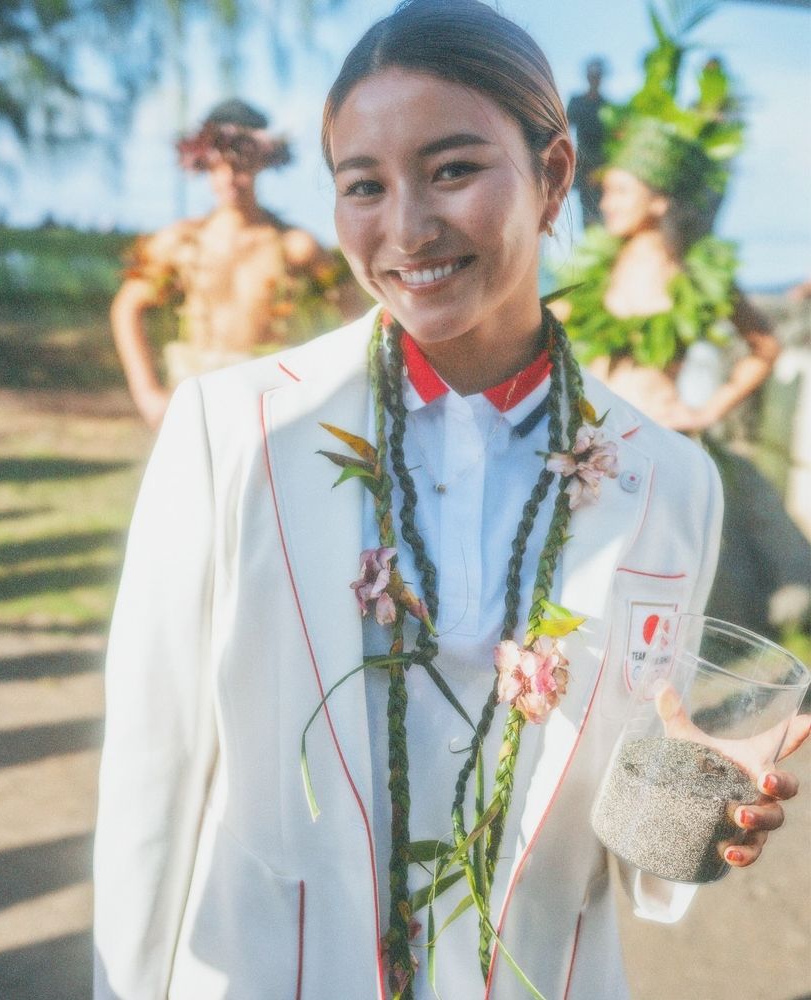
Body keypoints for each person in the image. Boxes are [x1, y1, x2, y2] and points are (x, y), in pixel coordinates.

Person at [93, 3, 809, 999]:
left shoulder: (667, 480)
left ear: (553, 173)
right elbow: (150, 778)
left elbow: (624, 825)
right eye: (363, 185)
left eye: (452, 170)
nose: (406, 227)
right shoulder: (231, 434)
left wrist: (691, 800)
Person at [554, 20, 811, 640]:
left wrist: (709, 408)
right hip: (592, 447)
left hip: (664, 448)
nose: (606, 198)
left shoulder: (699, 276)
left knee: (656, 599)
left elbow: (764, 346)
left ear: (660, 200)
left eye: (620, 188)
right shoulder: (592, 270)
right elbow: (542, 332)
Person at [110, 98, 362, 428]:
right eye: (218, 164)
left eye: (241, 163)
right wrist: (147, 393)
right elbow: (127, 306)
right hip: (195, 397)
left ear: (261, 161)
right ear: (203, 163)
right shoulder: (181, 243)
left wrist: (327, 389)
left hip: (270, 404)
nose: (229, 177)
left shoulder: (294, 246)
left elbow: (355, 317)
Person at [566, 57, 609, 228]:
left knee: (603, 211)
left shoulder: (606, 106)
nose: (595, 79)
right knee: (588, 215)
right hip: (583, 164)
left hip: (602, 166)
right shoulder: (576, 102)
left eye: (597, 75)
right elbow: (564, 128)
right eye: (592, 75)